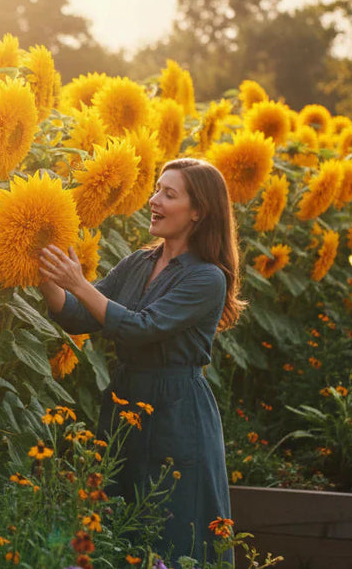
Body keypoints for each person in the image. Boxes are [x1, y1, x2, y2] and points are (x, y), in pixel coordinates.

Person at [38, 157, 244, 564]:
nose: (154, 200)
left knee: (173, 526)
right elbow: (80, 316)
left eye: (169, 194)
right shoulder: (139, 262)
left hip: (176, 411)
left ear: (198, 211)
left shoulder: (207, 278)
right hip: (125, 401)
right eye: (156, 189)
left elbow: (141, 327)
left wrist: (78, 283)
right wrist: (43, 271)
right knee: (114, 521)